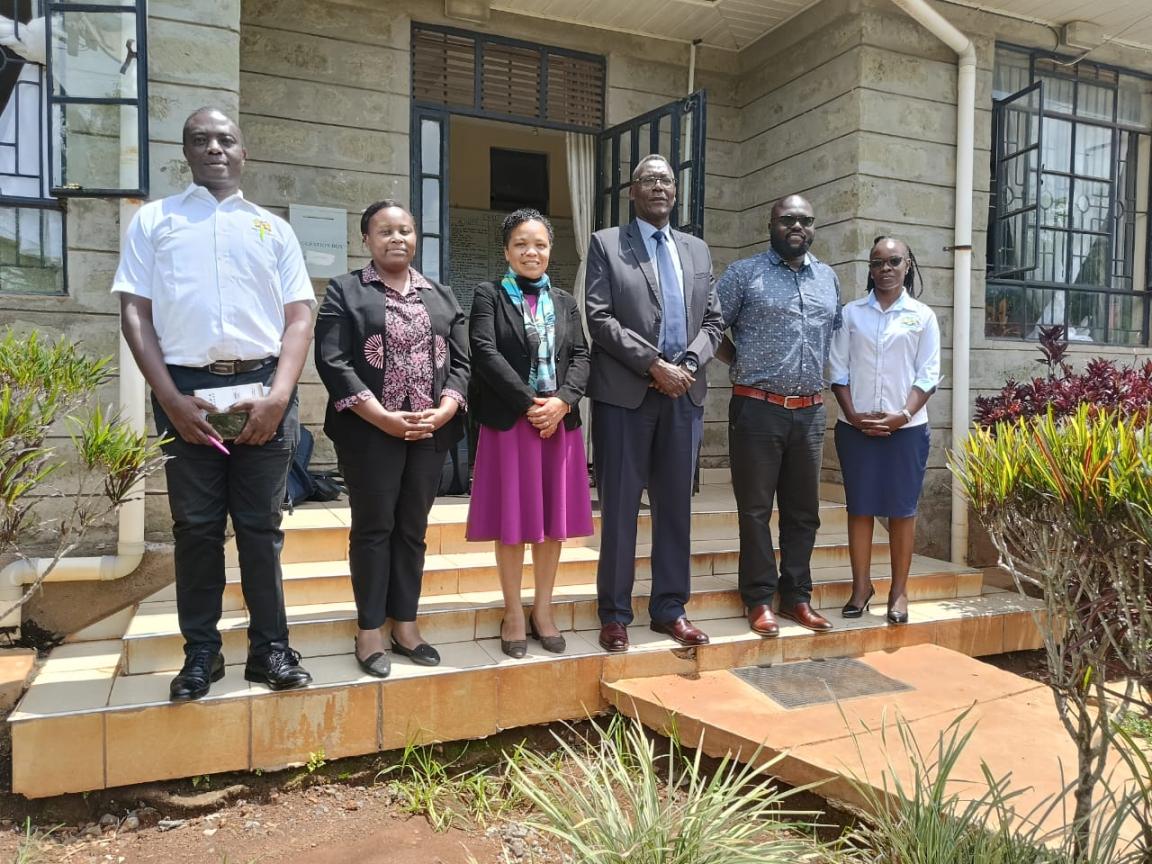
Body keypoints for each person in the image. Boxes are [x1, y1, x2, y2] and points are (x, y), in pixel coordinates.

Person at [114, 107, 314, 701]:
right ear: (186, 152)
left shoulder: (272, 229)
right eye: (200, 140)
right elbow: (135, 312)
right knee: (196, 529)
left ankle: (270, 651)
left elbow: (298, 316)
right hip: (187, 395)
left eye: (226, 139)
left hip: (261, 391)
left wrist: (279, 395)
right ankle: (201, 655)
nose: (215, 149)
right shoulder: (156, 221)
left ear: (244, 151)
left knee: (261, 528)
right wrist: (169, 398)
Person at [314, 200, 469, 678]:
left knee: (412, 531)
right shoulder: (345, 291)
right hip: (369, 434)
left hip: (428, 433)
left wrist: (444, 411)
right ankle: (368, 631)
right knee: (373, 528)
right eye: (385, 231)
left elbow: (463, 364)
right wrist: (382, 418)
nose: (396, 238)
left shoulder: (441, 296)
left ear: (416, 236)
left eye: (404, 230)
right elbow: (332, 361)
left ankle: (405, 624)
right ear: (366, 239)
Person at [585, 154, 724, 653]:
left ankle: (670, 608)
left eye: (666, 180)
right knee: (621, 507)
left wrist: (687, 362)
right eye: (649, 180)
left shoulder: (697, 250)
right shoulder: (607, 244)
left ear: (674, 190)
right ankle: (615, 614)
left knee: (675, 510)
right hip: (626, 397)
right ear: (633, 191)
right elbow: (599, 318)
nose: (659, 187)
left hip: (684, 395)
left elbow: (713, 321)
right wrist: (653, 365)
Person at [466, 209, 594, 658]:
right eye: (521, 243)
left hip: (558, 425)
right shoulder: (488, 295)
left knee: (552, 526)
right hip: (510, 423)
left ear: (550, 250)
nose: (531, 252)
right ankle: (513, 613)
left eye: (539, 244)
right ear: (506, 250)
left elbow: (580, 356)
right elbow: (483, 351)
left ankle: (543, 609)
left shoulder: (565, 301)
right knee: (513, 524)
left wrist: (562, 401)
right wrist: (529, 403)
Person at [716, 194, 842, 638]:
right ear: (771, 224)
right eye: (787, 219)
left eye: (805, 220)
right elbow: (711, 327)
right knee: (755, 510)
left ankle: (797, 597)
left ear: (813, 227)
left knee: (803, 512)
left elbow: (835, 335)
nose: (797, 226)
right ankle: (757, 598)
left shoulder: (828, 278)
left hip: (809, 413)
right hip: (757, 408)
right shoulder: (743, 274)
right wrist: (741, 361)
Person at [829, 236, 940, 625]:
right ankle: (861, 589)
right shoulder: (850, 314)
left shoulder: (922, 316)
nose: (886, 269)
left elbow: (928, 375)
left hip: (905, 429)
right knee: (859, 508)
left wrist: (902, 416)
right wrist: (854, 415)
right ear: (870, 268)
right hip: (855, 427)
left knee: (902, 511)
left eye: (894, 261)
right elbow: (838, 370)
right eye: (878, 263)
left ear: (907, 265)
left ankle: (899, 592)